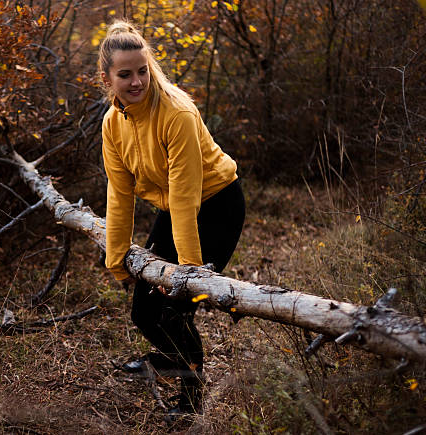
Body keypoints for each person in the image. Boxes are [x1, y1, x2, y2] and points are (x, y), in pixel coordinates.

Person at [99, 20, 245, 419]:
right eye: (125, 74)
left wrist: (190, 271)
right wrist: (116, 257)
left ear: (151, 68)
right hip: (176, 209)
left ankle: (190, 402)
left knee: (176, 309)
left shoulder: (176, 113)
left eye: (142, 71)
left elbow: (185, 196)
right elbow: (119, 193)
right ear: (107, 77)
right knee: (143, 312)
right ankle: (169, 358)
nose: (136, 82)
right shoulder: (113, 123)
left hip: (217, 204)